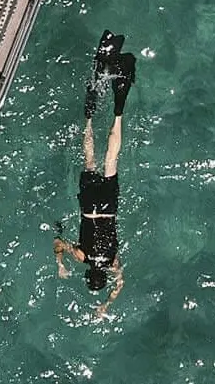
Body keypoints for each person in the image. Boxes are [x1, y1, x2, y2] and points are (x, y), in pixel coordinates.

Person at [52, 31, 136, 318]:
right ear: (88, 273)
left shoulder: (113, 263)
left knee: (111, 159)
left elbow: (120, 283)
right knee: (89, 160)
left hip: (108, 207)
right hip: (89, 207)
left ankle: (118, 110)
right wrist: (60, 264)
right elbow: (58, 244)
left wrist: (107, 305)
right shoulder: (82, 256)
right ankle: (88, 116)